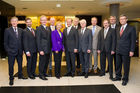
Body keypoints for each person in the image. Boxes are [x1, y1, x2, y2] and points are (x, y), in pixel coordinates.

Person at [113, 14, 136, 86]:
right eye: (121, 19)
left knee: (126, 66)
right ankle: (118, 76)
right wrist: (114, 49)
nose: (122, 20)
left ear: (126, 20)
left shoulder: (131, 28)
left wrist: (132, 50)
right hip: (118, 50)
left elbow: (133, 40)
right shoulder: (117, 28)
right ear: (119, 21)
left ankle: (125, 79)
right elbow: (115, 39)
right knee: (118, 65)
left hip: (126, 50)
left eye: (123, 19)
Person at [4, 17, 27, 85]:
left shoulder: (21, 30)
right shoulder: (7, 30)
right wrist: (8, 50)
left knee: (20, 64)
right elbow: (5, 42)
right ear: (11, 22)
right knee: (11, 65)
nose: (14, 22)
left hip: (20, 51)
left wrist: (23, 50)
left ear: (17, 22)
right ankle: (11, 78)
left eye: (15, 21)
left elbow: (22, 41)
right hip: (11, 52)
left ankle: (20, 75)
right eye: (13, 21)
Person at [36, 15, 51, 80]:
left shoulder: (48, 28)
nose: (44, 21)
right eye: (43, 20)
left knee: (46, 62)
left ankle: (44, 73)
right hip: (42, 49)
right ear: (40, 21)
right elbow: (38, 40)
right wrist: (40, 50)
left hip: (48, 48)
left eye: (45, 20)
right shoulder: (39, 28)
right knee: (42, 62)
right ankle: (41, 74)